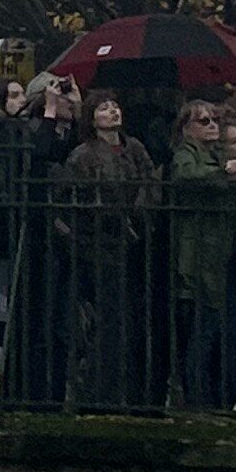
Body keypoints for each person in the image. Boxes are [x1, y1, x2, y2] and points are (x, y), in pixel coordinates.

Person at [60, 91, 161, 407]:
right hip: (99, 245)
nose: (112, 111)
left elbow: (150, 184)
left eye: (115, 106)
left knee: (134, 320)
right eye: (104, 108)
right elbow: (73, 200)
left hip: (135, 241)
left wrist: (140, 213)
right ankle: (100, 390)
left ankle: (131, 391)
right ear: (92, 117)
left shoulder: (135, 148)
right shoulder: (83, 155)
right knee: (109, 320)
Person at [164, 99, 236, 410]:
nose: (212, 126)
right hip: (199, 256)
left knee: (220, 331)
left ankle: (227, 397)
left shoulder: (214, 153)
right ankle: (196, 401)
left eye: (214, 120)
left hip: (221, 252)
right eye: (204, 121)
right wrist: (226, 172)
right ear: (187, 128)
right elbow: (187, 176)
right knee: (202, 333)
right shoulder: (186, 153)